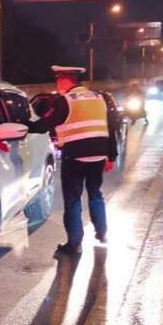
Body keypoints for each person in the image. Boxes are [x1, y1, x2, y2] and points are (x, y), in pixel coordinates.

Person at [28, 65, 118, 257]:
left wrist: (25, 125)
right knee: (95, 194)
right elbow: (111, 128)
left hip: (75, 157)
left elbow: (44, 125)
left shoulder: (66, 101)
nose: (57, 85)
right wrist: (111, 156)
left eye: (58, 81)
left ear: (64, 81)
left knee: (73, 200)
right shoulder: (99, 98)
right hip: (98, 156)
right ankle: (102, 233)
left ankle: (74, 244)